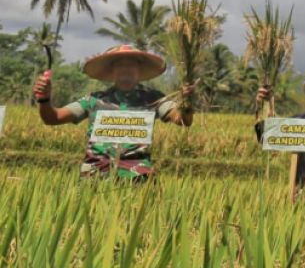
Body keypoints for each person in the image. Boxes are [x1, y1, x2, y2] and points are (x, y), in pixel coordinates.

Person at [32, 43, 193, 181]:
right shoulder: (94, 100)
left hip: (138, 176)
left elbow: (182, 119)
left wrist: (187, 102)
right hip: (95, 175)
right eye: (120, 64)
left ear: (139, 69)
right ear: (112, 70)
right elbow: (53, 118)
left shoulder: (154, 99)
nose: (126, 68)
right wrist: (44, 99)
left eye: (131, 64)